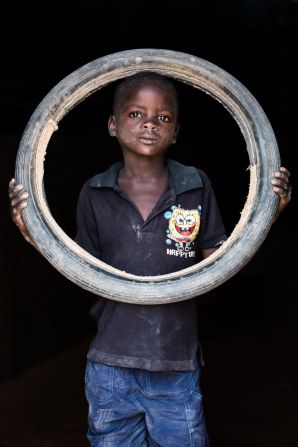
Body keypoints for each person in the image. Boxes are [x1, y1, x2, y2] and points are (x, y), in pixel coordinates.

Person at [8, 71, 291, 447]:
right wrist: (33, 235)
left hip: (175, 363)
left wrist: (267, 214)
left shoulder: (194, 184)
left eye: (163, 117)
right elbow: (79, 269)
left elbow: (222, 262)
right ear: (113, 125)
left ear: (175, 132)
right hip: (110, 364)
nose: (149, 125)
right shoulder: (94, 192)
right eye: (135, 114)